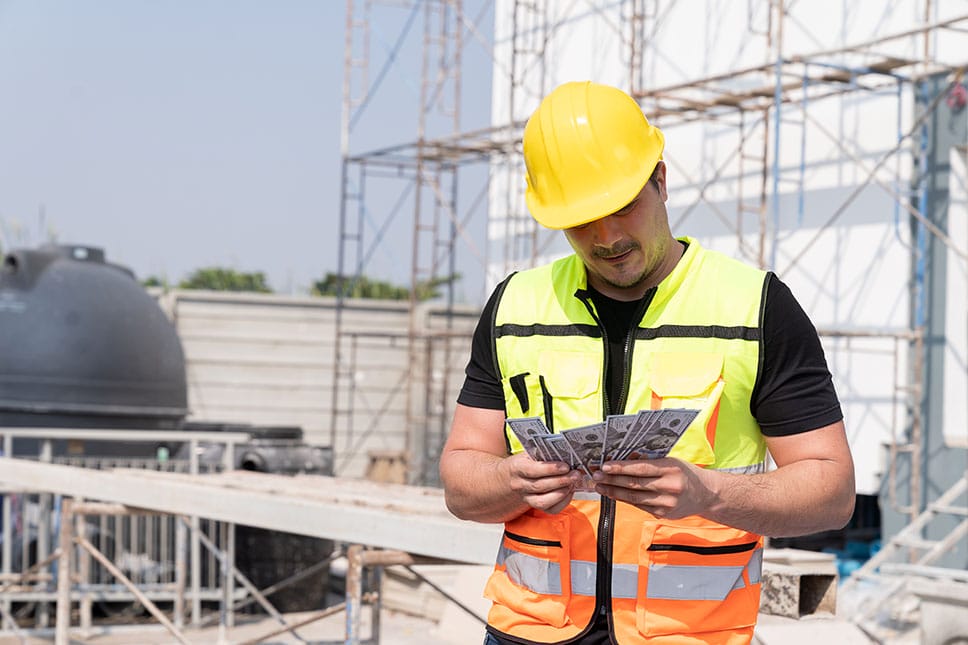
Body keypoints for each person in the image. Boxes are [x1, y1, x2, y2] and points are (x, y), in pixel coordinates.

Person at [438, 80, 855, 645]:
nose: (607, 237)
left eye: (622, 207)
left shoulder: (754, 307)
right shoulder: (516, 306)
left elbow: (831, 492)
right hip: (528, 630)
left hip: (692, 635)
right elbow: (461, 483)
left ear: (660, 179)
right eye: (582, 219)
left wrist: (707, 494)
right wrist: (509, 480)